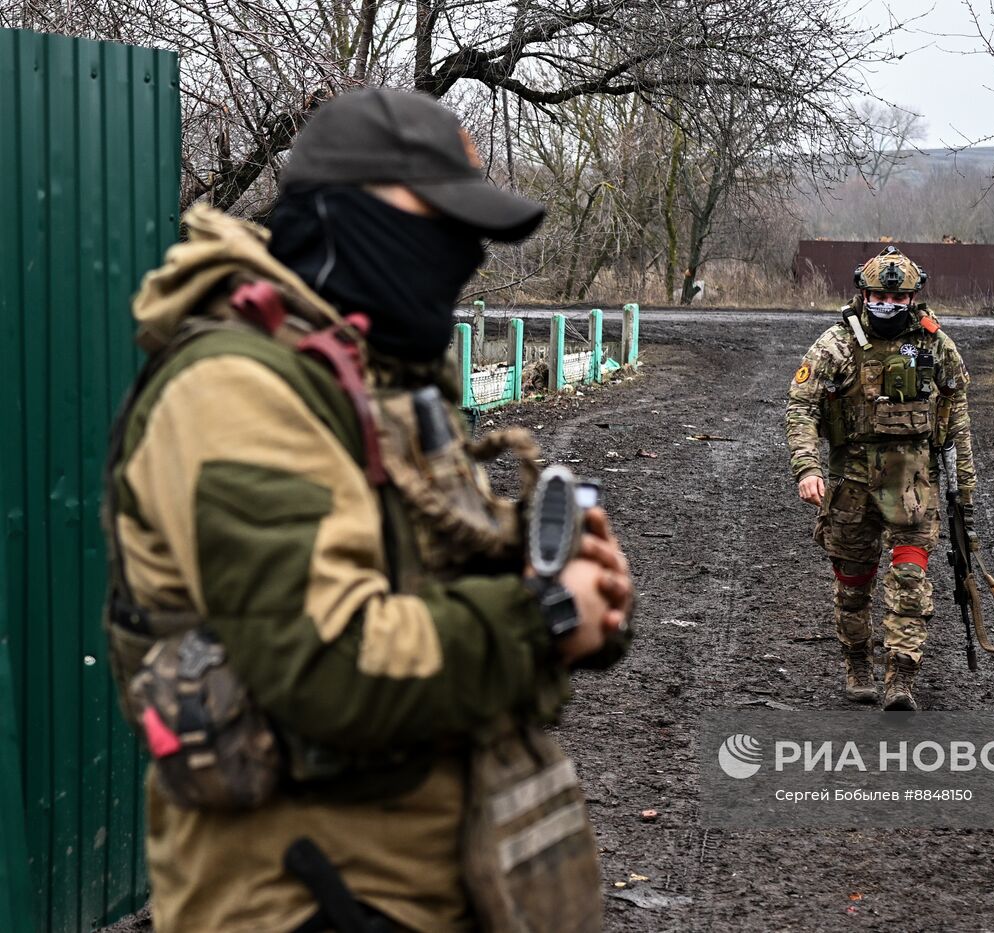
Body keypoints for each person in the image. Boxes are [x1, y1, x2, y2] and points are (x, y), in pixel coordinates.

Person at [102, 87, 632, 931]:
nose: (458, 257)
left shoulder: (380, 378)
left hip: (437, 876)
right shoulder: (237, 390)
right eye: (438, 225)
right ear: (346, 215)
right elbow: (330, 662)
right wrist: (545, 615)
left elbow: (430, 587)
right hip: (306, 899)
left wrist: (575, 592)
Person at [784, 246, 976, 711]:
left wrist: (964, 490)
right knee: (853, 583)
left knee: (910, 578)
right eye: (877, 297)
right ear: (863, 294)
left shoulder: (935, 345)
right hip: (851, 484)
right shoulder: (835, 345)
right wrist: (807, 467)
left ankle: (900, 676)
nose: (887, 305)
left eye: (898, 298)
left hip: (913, 485)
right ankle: (857, 665)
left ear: (913, 299)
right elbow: (801, 407)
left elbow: (957, 420)